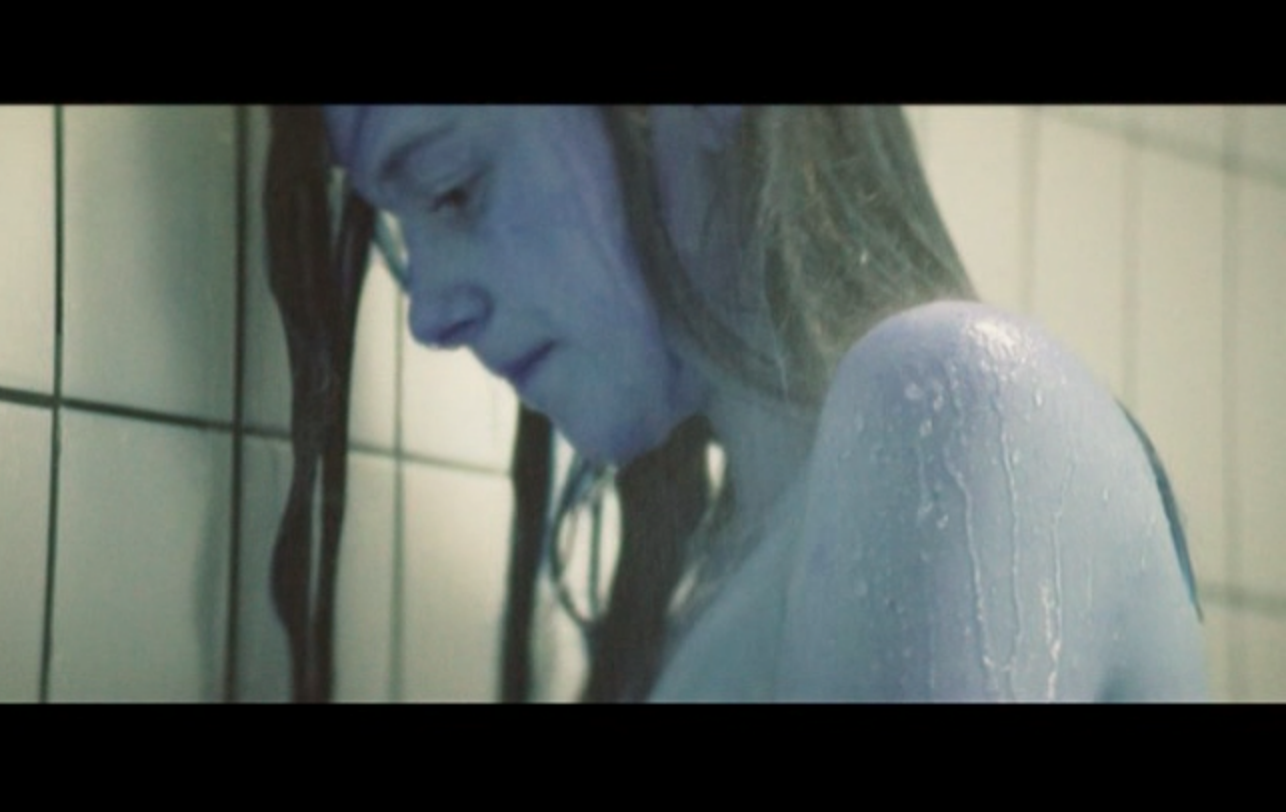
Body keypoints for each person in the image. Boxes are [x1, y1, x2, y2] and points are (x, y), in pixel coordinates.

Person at [317, 105, 1206, 701]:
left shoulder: (952, 399)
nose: (428, 312)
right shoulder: (715, 590)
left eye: (450, 186)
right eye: (401, 231)